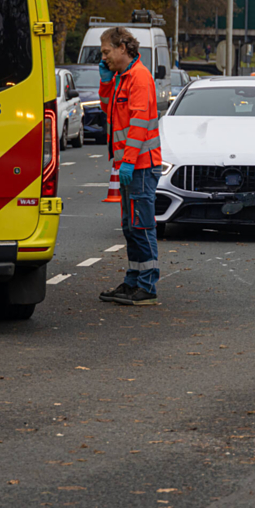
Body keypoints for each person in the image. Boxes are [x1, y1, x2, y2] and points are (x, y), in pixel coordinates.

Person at [97, 27, 162, 306]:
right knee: (130, 227)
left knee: (141, 226)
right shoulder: (123, 78)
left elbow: (138, 125)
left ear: (122, 47)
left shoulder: (139, 78)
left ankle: (147, 286)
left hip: (140, 166)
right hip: (131, 166)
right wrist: (105, 82)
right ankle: (133, 281)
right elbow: (107, 109)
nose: (104, 57)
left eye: (106, 52)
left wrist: (128, 162)